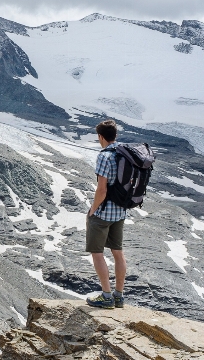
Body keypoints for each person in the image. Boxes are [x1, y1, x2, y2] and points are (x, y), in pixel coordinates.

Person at [85, 119, 127, 309]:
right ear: (115, 135)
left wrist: (93, 210)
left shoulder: (105, 156)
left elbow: (101, 190)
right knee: (118, 252)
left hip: (103, 213)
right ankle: (119, 296)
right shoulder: (125, 153)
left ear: (101, 137)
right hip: (120, 211)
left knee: (97, 252)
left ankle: (106, 296)